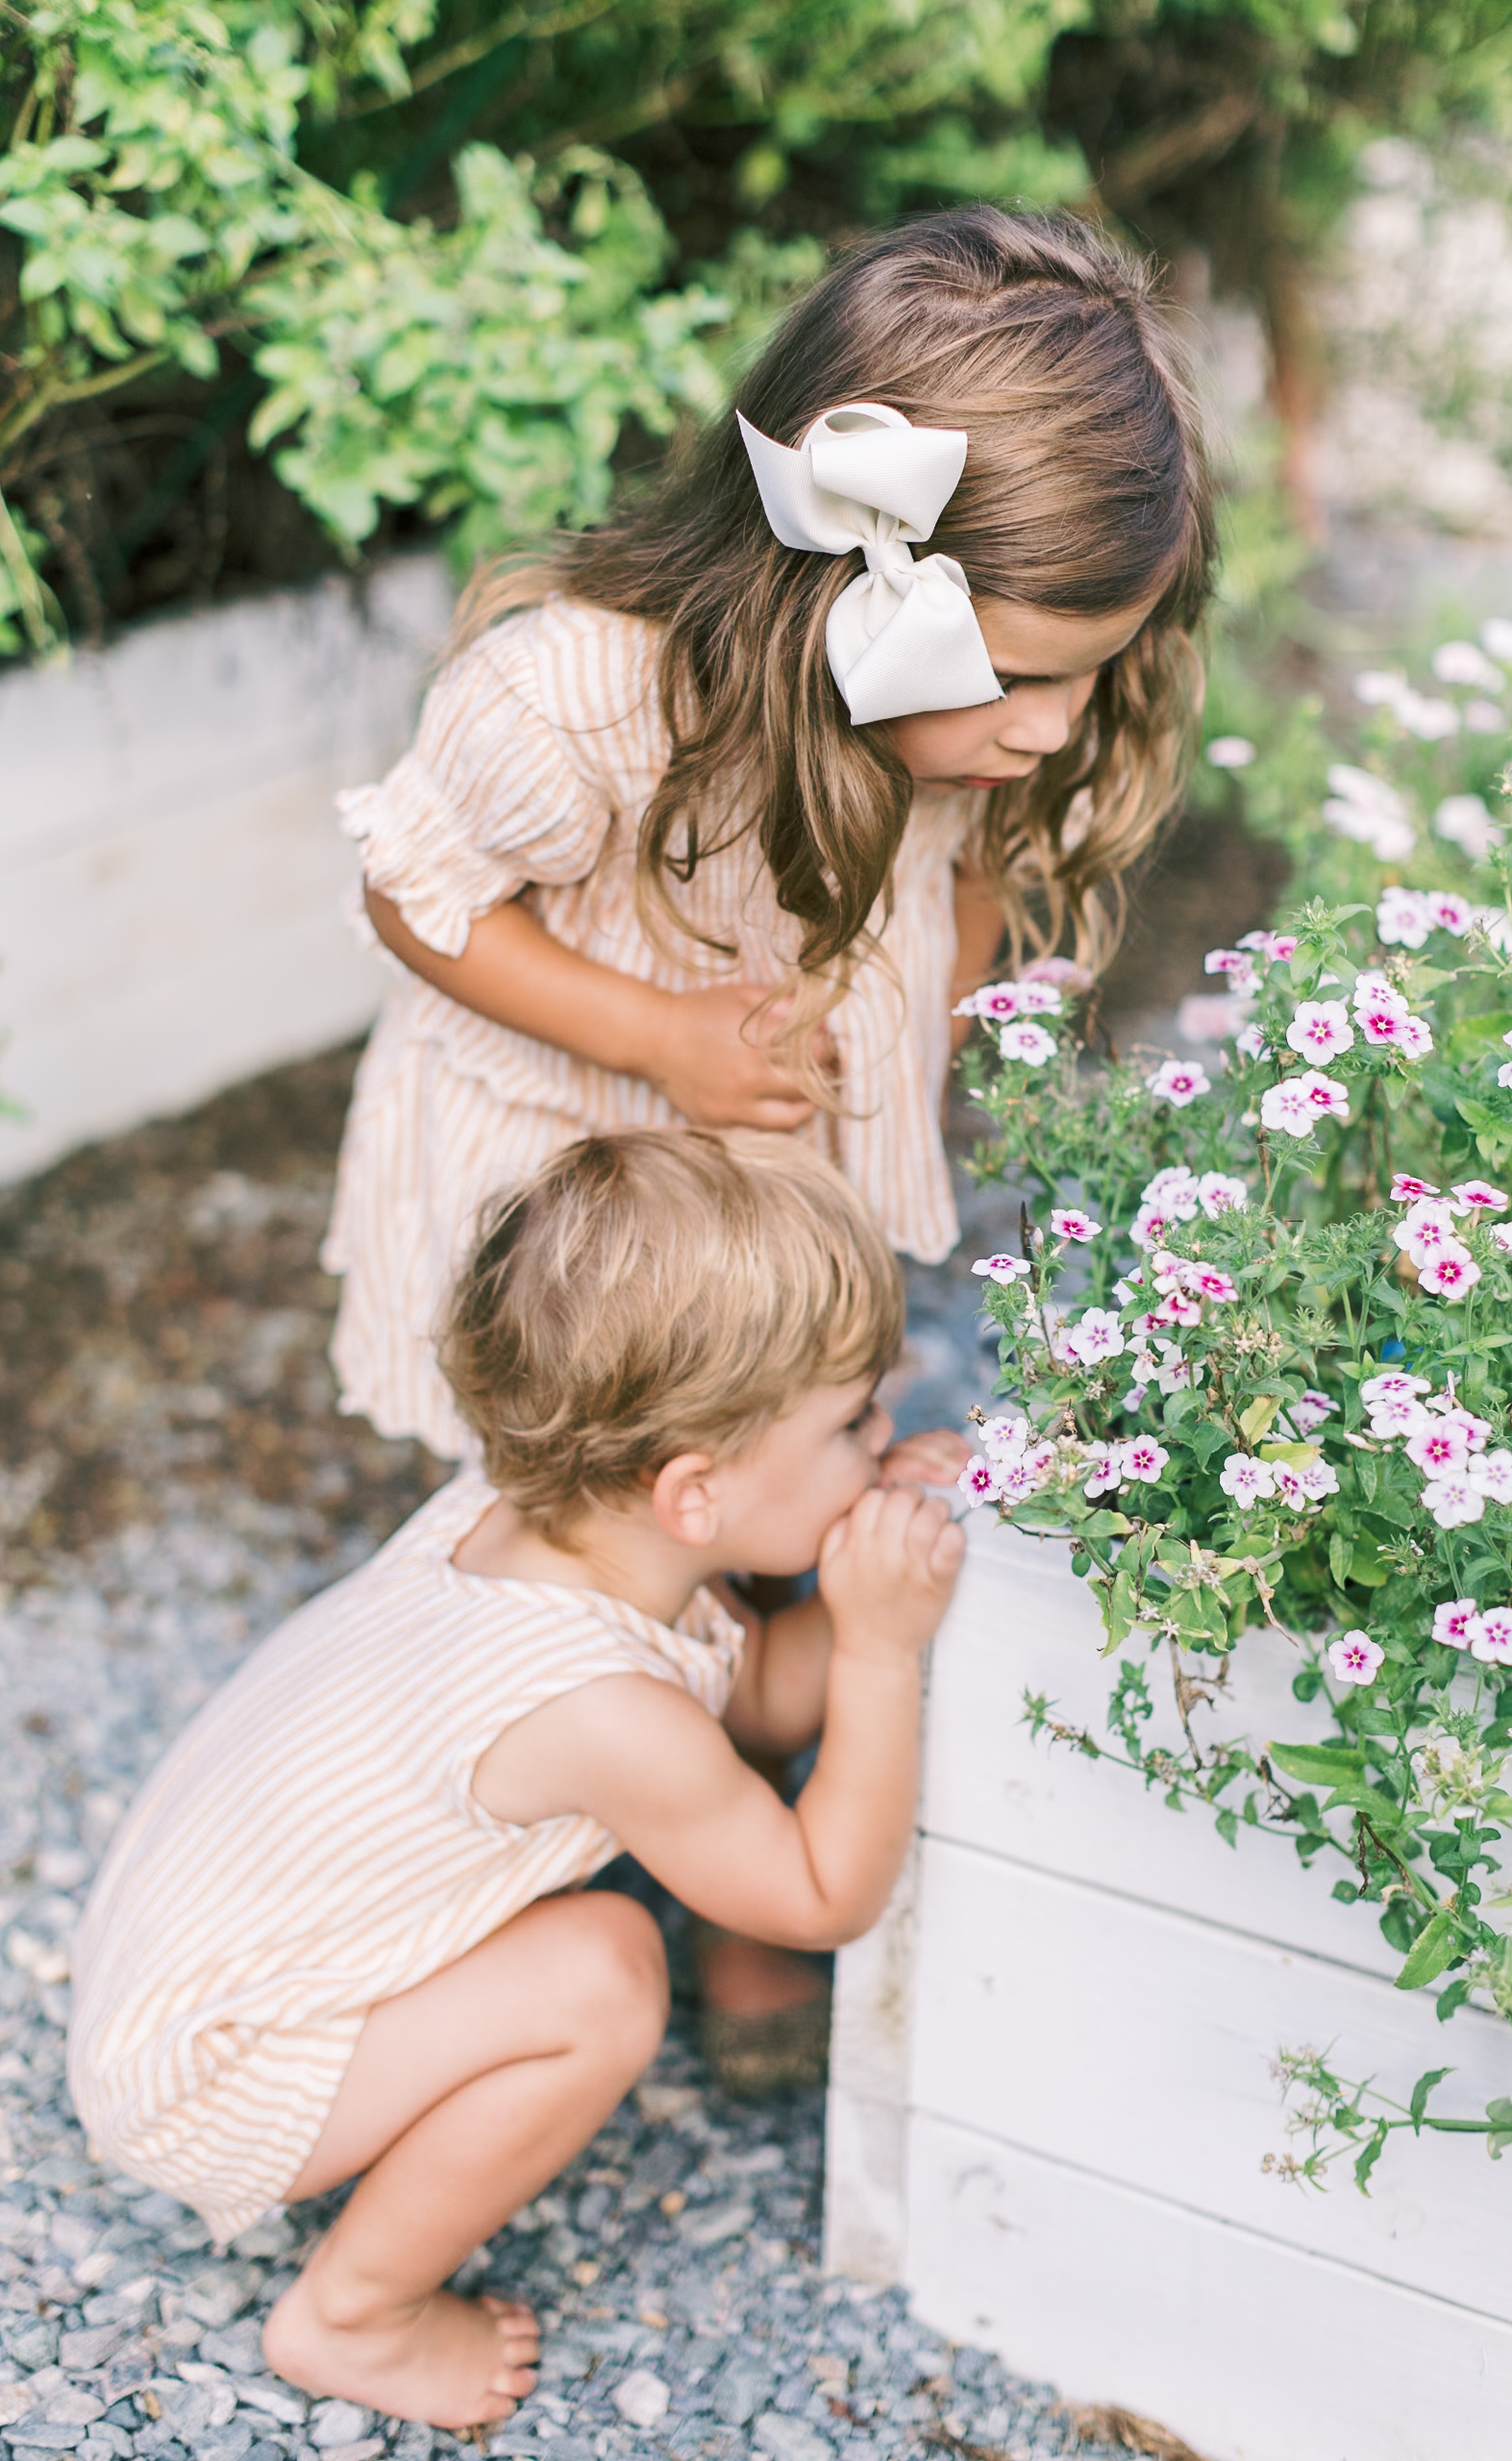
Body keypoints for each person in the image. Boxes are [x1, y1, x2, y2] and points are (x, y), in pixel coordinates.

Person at [322, 202, 1213, 2068]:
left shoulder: (946, 733)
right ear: (845, 588)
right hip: (579, 1189)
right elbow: (417, 893)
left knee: (764, 1527)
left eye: (1088, 674)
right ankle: (570, 1875)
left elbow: (943, 901)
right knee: (602, 1538)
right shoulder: (581, 685)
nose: (1055, 726)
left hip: (765, 1189)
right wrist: (658, 1031)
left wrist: (912, 1019)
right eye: (1023, 675)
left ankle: (741, 1892)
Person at [66, 1131, 966, 2432]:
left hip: (176, 1974)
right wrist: (882, 1645)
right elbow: (820, 1894)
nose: (887, 1434)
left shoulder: (531, 1517)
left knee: (588, 1942)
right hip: (209, 2069)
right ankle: (351, 2315)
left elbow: (752, 1679)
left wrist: (871, 1550)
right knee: (603, 1973)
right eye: (853, 1423)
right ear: (695, 1497)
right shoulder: (595, 1707)